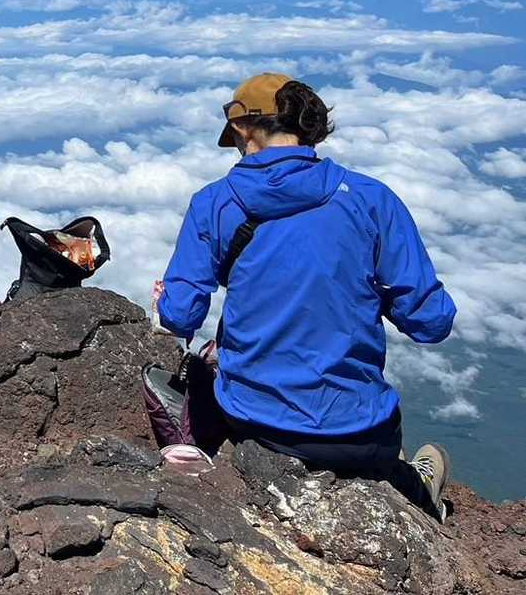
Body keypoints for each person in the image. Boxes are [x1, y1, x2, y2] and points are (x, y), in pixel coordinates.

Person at [155, 73, 458, 521]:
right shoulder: (372, 199)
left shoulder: (214, 204)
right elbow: (432, 323)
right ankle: (418, 494)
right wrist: (377, 293)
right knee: (374, 443)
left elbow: (180, 317)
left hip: (256, 427)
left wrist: (164, 300)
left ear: (242, 128)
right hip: (364, 434)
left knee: (201, 371)